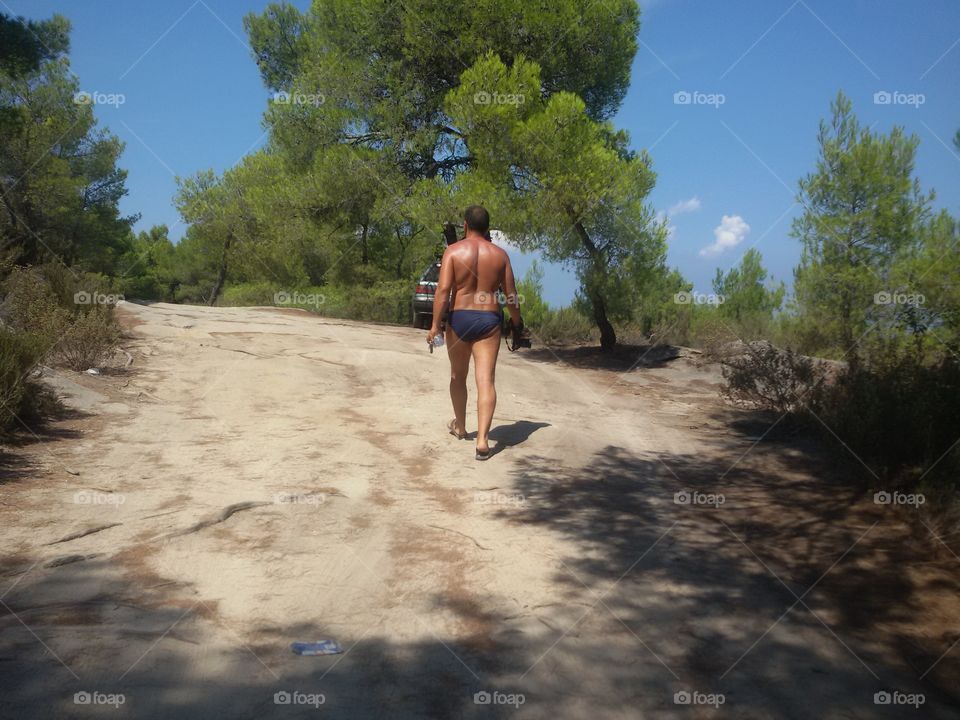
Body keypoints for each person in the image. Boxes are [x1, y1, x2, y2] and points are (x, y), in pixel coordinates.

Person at [427, 206, 522, 460]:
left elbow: (443, 290)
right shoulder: (500, 255)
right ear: (487, 228)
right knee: (486, 381)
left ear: (465, 225)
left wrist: (435, 325)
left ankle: (460, 426)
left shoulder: (453, 251)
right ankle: (482, 441)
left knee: (457, 376)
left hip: (459, 318)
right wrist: (517, 323)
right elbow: (511, 296)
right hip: (488, 320)